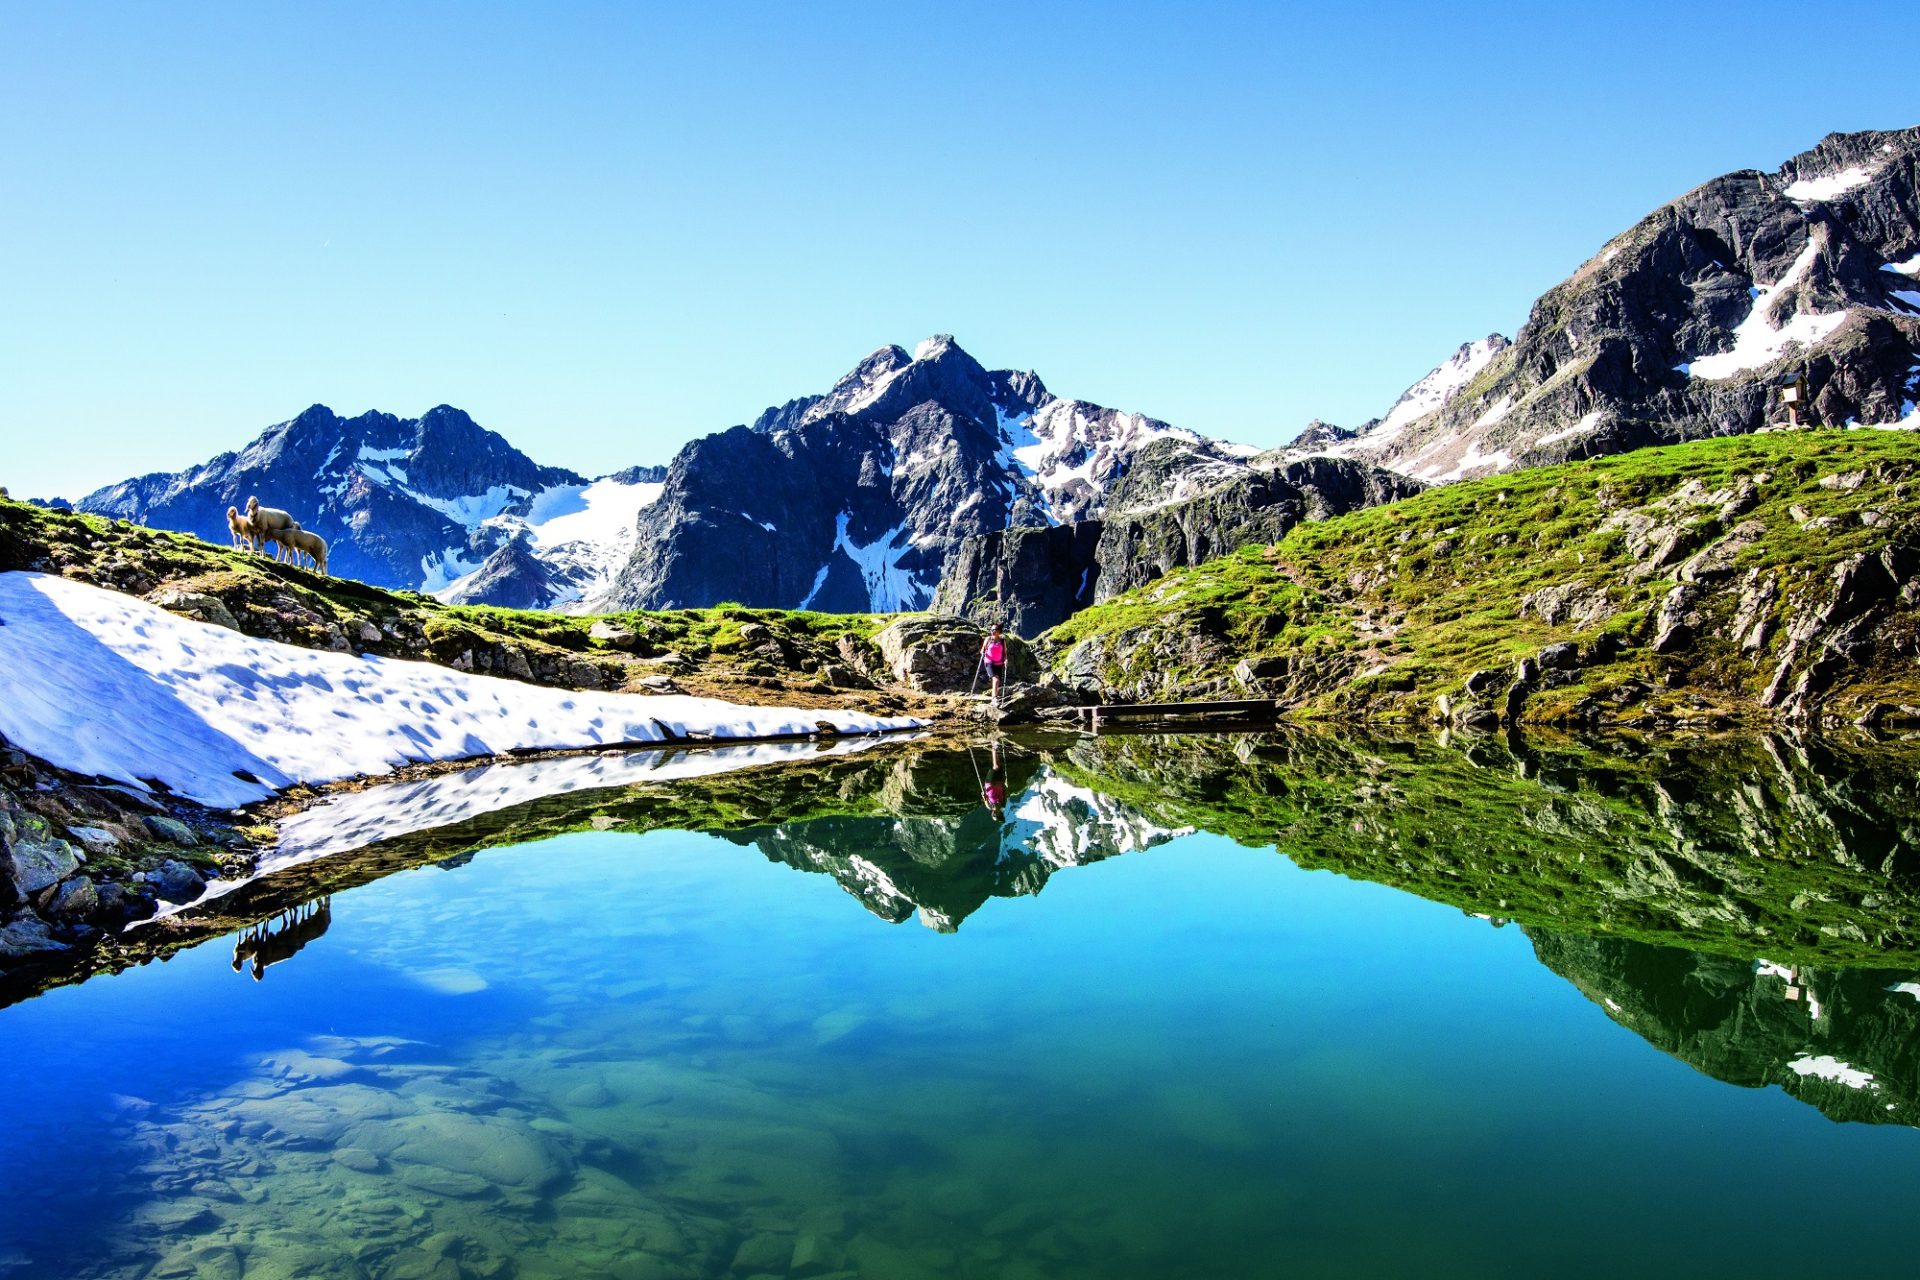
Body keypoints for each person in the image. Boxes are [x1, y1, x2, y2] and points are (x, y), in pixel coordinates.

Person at [980, 624, 1008, 707]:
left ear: (999, 631)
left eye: (994, 629)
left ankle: (994, 696)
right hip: (989, 662)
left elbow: (1005, 653)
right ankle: (994, 699)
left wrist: (1006, 660)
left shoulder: (1002, 641)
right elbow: (982, 650)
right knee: (995, 679)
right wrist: (983, 652)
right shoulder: (988, 639)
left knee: (998, 680)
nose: (992, 631)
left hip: (999, 663)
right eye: (991, 629)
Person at [982, 740, 1008, 818]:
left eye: (993, 816)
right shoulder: (1003, 804)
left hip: (990, 783)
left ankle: (994, 747)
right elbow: (1005, 793)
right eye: (996, 816)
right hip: (1000, 782)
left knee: (995, 767)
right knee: (998, 765)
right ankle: (995, 748)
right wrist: (1005, 785)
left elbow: (984, 797)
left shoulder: (989, 806)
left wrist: (983, 794)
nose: (994, 815)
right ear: (999, 814)